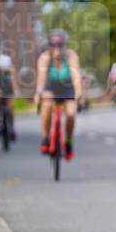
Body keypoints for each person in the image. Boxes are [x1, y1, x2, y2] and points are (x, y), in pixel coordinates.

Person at [34, 30, 82, 160]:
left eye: (60, 45)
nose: (57, 49)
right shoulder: (44, 58)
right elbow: (41, 80)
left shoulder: (71, 56)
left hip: (67, 88)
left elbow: (76, 78)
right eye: (53, 45)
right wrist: (38, 94)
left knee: (71, 113)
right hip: (51, 87)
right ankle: (45, 138)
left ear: (65, 45)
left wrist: (79, 94)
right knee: (47, 103)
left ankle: (68, 142)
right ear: (49, 45)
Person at [0, 54, 20, 140]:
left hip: (8, 88)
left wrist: (16, 91)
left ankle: (11, 128)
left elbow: (14, 82)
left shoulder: (11, 69)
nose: (4, 70)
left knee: (10, 107)